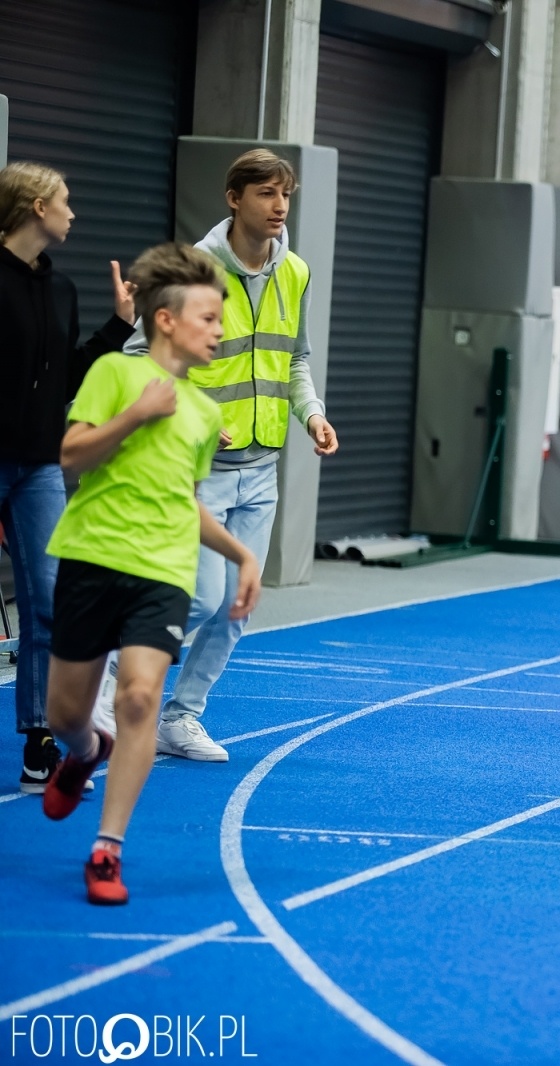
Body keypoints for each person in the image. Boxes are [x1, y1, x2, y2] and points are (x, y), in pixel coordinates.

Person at [40, 243, 262, 905]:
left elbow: (183, 502)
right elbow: (70, 456)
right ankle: (83, 753)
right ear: (166, 320)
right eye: (209, 318)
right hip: (92, 556)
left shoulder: (204, 412)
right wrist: (135, 415)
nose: (219, 332)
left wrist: (242, 554)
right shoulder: (113, 372)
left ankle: (107, 850)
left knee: (140, 697)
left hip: (162, 568)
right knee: (67, 714)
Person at [99, 149, 338, 762]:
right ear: (235, 199)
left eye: (286, 194)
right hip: (198, 472)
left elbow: (296, 358)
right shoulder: (194, 270)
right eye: (266, 194)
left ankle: (181, 718)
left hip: (263, 471)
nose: (280, 206)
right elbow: (137, 357)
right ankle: (105, 684)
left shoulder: (297, 273)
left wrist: (311, 413)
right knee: (199, 598)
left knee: (238, 605)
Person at [1, 161, 134, 796]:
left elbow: (66, 379)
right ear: (33, 207)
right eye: (64, 201)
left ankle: (39, 741)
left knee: (50, 604)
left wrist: (119, 328)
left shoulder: (62, 289)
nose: (72, 212)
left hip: (40, 466)